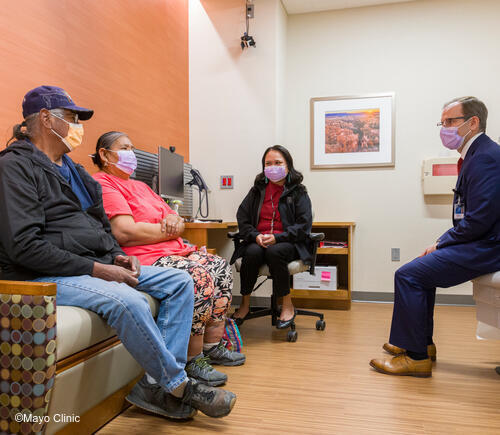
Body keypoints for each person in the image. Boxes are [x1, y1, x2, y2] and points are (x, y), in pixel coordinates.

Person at [0, 85, 236, 420]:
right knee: (128, 299)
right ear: (44, 119)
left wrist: (116, 256)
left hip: (91, 263)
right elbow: (23, 246)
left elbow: (99, 226)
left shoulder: (76, 172)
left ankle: (155, 386)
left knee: (180, 281)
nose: (77, 126)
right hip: (38, 274)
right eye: (71, 117)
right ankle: (179, 386)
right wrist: (98, 269)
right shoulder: (14, 167)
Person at [91, 131, 245, 387]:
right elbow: (125, 232)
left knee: (219, 266)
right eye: (125, 148)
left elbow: (177, 221)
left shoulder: (141, 186)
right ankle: (191, 360)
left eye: (132, 147)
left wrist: (174, 222)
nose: (132, 154)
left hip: (173, 250)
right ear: (105, 155)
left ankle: (212, 346)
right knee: (199, 275)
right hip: (143, 258)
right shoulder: (104, 183)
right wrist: (167, 229)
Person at [370, 96, 500, 377]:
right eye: (442, 123)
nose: (445, 128)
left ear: (473, 122)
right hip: (482, 240)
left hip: (488, 245)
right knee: (419, 273)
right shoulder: (476, 155)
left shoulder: (487, 157)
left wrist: (442, 242)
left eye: (450, 122)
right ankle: (421, 345)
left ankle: (416, 357)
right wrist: (443, 242)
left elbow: (479, 220)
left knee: (409, 275)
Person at [231, 145, 313, 328]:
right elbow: (242, 218)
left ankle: (287, 304)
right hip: (259, 240)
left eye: (278, 163)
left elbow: (304, 225)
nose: (272, 167)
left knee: (275, 252)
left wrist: (278, 238)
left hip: (288, 243)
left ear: (288, 166)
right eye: (268, 164)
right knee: (251, 253)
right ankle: (245, 304)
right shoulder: (257, 191)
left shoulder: (298, 192)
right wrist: (255, 236)